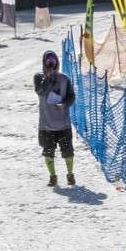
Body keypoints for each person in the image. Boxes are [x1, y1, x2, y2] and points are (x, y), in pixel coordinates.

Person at [34, 50, 76, 186]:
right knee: (48, 151)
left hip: (63, 123)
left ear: (57, 62)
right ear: (44, 63)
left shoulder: (64, 79)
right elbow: (40, 91)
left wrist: (66, 103)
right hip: (46, 124)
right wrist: (48, 77)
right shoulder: (38, 77)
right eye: (48, 61)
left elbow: (71, 95)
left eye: (53, 61)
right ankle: (52, 176)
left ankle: (70, 173)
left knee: (68, 150)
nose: (50, 64)